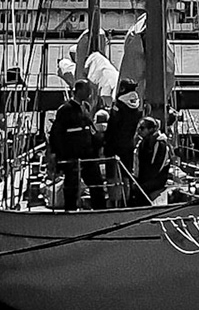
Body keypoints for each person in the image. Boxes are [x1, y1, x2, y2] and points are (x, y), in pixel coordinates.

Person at [47, 73, 101, 211]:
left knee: (97, 184)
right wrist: (56, 154)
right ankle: (70, 211)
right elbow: (56, 134)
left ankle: (99, 210)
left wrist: (98, 144)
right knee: (71, 186)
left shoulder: (85, 108)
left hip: (88, 155)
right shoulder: (65, 110)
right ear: (79, 90)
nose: (89, 92)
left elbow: (91, 130)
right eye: (87, 89)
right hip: (72, 156)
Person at [101, 86, 142, 202]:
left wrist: (105, 142)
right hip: (128, 146)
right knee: (126, 174)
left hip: (114, 147)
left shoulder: (118, 106)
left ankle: (115, 200)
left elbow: (112, 127)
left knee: (112, 176)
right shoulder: (137, 108)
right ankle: (126, 199)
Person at [132, 115, 170, 205]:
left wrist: (144, 184)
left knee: (141, 190)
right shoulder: (141, 144)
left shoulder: (161, 144)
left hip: (157, 179)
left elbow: (157, 167)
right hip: (144, 178)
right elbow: (137, 165)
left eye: (142, 128)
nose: (139, 131)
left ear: (151, 129)